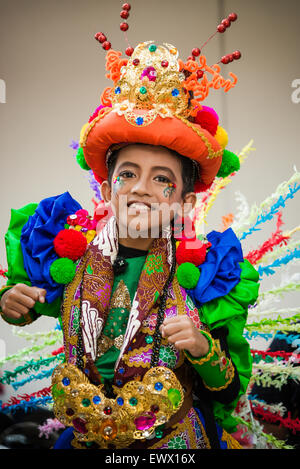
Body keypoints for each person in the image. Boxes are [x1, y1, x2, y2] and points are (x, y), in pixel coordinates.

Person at [0, 34, 259, 449]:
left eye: (162, 179)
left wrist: (201, 347)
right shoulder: (70, 253)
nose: (141, 188)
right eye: (127, 174)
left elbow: (229, 390)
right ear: (106, 190)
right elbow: (26, 305)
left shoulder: (207, 271)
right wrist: (9, 301)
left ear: (184, 200)